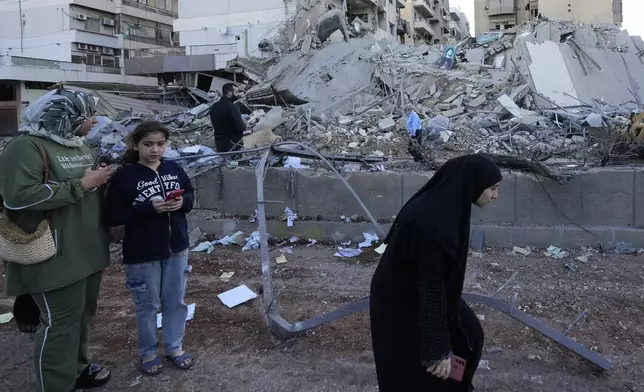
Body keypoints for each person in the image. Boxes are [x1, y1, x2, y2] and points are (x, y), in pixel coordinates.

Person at [0, 88, 113, 392]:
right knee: (60, 322)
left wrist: (102, 180)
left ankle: (78, 369)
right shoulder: (25, 148)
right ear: (64, 115)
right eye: (86, 114)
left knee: (82, 318)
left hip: (88, 249)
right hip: (54, 254)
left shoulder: (78, 145)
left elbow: (88, 188)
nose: (94, 120)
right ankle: (57, 384)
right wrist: (82, 183)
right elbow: (19, 198)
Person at [370, 154, 502, 392]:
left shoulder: (445, 207)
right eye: (492, 188)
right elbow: (432, 288)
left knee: (469, 332)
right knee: (418, 367)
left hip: (416, 288)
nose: (495, 195)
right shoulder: (434, 222)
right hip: (400, 300)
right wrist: (437, 349)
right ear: (474, 184)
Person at [103, 121, 195, 376]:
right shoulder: (125, 177)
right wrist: (147, 209)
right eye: (148, 144)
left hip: (176, 247)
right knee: (148, 305)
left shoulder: (174, 168)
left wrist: (182, 203)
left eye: (160, 144)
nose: (155, 150)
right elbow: (112, 215)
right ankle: (148, 353)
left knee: (175, 302)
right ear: (136, 145)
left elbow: (190, 195)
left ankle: (175, 347)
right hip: (142, 254)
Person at [208, 83, 246, 154]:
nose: (238, 94)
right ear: (229, 93)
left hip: (220, 146)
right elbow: (240, 127)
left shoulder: (213, 107)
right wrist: (244, 124)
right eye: (236, 92)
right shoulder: (233, 107)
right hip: (233, 146)